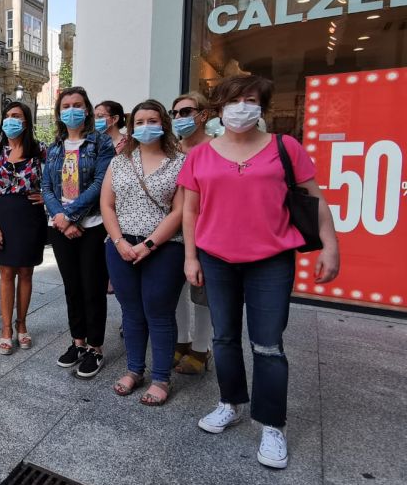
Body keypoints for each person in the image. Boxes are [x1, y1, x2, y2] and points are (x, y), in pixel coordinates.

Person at [180, 75, 339, 469]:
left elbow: (314, 198)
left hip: (271, 261)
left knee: (268, 345)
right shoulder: (199, 155)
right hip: (216, 258)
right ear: (219, 107)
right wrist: (191, 257)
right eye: (234, 100)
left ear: (262, 106)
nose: (242, 107)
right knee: (225, 338)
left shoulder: (286, 147)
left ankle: (271, 424)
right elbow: (190, 210)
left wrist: (331, 245)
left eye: (250, 99)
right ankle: (230, 402)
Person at [101, 99, 186, 406]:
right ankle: (135, 370)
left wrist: (148, 244)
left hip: (165, 248)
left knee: (159, 312)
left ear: (163, 123)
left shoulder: (179, 161)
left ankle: (161, 377)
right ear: (131, 126)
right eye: (139, 122)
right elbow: (107, 204)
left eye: (152, 120)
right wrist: (120, 241)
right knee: (132, 311)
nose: (145, 126)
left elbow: (181, 210)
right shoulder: (121, 160)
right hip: (120, 246)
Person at [42, 87, 115, 379]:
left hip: (92, 226)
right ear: (60, 112)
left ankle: (95, 348)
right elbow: (46, 186)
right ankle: (77, 342)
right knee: (72, 287)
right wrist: (61, 218)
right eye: (66, 105)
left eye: (77, 105)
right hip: (60, 227)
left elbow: (100, 184)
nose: (71, 110)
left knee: (92, 288)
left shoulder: (100, 144)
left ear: (86, 109)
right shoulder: (55, 146)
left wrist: (72, 216)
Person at [0, 101, 47, 355]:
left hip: (30, 216)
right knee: (7, 274)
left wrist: (47, 197)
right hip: (4, 215)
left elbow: (56, 178)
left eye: (17, 116)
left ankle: (22, 324)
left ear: (27, 121)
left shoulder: (40, 150)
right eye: (8, 116)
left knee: (26, 272)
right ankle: (6, 328)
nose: (11, 120)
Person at [169, 92, 215, 374]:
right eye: (175, 113)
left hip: (206, 230)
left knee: (202, 292)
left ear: (203, 115)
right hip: (172, 232)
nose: (179, 118)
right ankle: (181, 340)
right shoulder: (173, 149)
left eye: (186, 112)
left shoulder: (216, 149)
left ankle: (201, 348)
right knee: (175, 291)